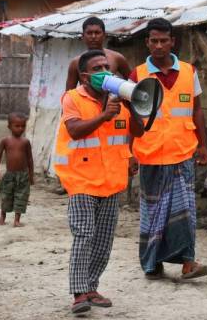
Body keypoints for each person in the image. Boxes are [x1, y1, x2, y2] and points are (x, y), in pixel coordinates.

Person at [54, 50, 144, 314]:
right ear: (84, 77)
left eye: (107, 66)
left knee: (103, 240)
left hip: (111, 181)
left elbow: (137, 131)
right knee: (84, 234)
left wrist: (132, 106)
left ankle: (92, 286)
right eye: (97, 68)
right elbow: (74, 130)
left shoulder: (118, 99)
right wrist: (104, 115)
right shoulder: (72, 98)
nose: (105, 71)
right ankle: (79, 293)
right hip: (80, 179)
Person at [130, 17, 207, 280]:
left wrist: (203, 144)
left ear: (172, 42)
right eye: (154, 41)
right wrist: (129, 154)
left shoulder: (189, 72)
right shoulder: (138, 75)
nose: (159, 45)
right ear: (147, 42)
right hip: (150, 154)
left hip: (182, 153)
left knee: (184, 211)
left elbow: (197, 110)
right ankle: (153, 263)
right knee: (153, 212)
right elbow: (130, 118)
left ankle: (188, 263)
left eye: (164, 40)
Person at [65, 17, 131, 90]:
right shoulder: (76, 62)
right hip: (86, 100)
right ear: (83, 36)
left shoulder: (116, 58)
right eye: (89, 33)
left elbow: (132, 84)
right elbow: (69, 93)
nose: (93, 36)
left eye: (97, 33)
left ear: (104, 35)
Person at [0, 112, 34, 227]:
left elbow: (30, 159)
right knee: (6, 196)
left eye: (23, 126)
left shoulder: (26, 142)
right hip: (9, 175)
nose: (20, 128)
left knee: (21, 197)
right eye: (17, 126)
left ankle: (17, 220)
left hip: (23, 176)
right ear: (9, 126)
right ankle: (2, 217)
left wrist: (31, 176)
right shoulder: (5, 141)